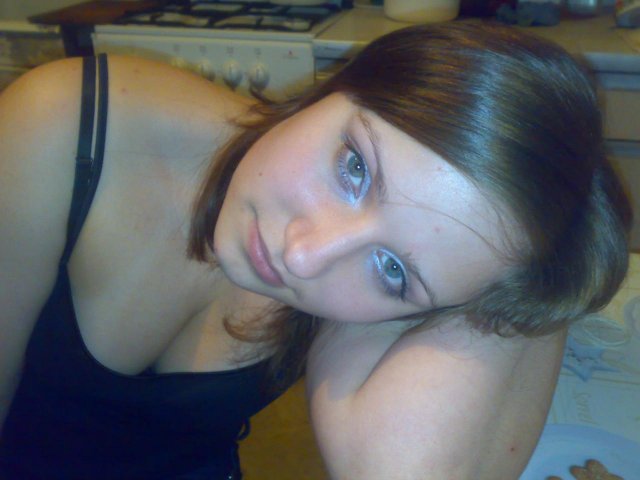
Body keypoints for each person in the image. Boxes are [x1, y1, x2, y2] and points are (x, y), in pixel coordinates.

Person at [0, 20, 631, 480]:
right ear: (346, 82)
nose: (304, 257)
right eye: (355, 167)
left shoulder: (394, 290)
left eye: (392, 270)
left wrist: (539, 263)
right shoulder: (65, 126)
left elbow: (402, 468)